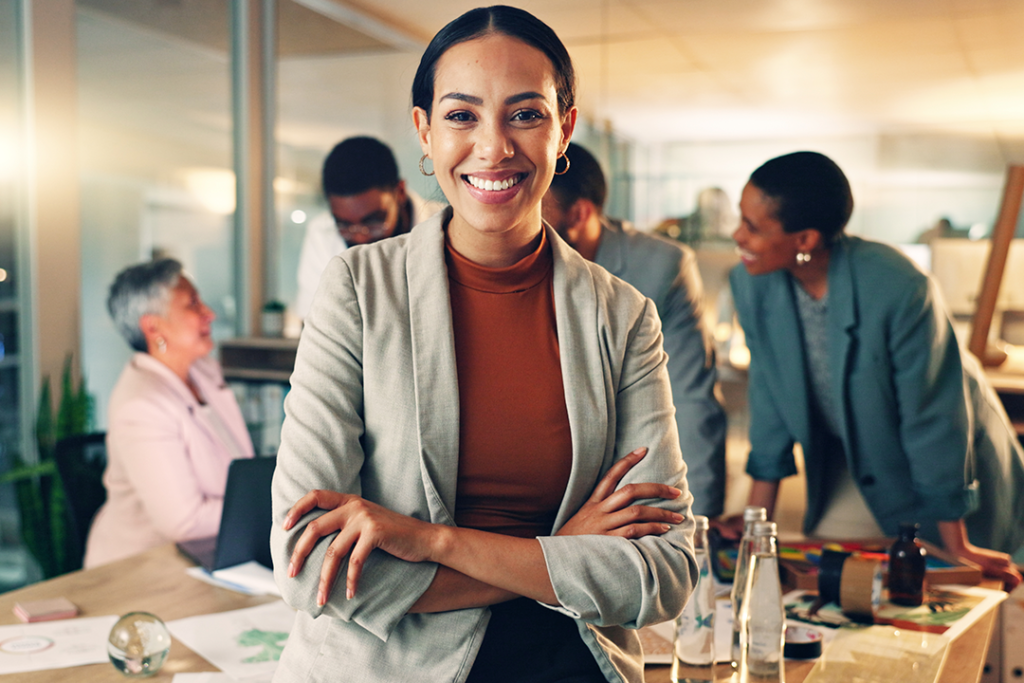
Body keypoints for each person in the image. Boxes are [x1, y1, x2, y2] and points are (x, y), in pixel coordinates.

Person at [270, 6, 697, 682]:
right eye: (462, 115)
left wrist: (431, 541)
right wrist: (557, 555)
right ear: (425, 130)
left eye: (525, 114)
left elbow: (666, 571)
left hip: (571, 664)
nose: (493, 147)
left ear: (565, 131)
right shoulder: (358, 289)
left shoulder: (622, 317)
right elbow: (311, 565)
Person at [729, 150, 1024, 588]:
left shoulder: (899, 287)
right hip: (854, 455)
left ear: (805, 239)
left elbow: (933, 419)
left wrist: (957, 543)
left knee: (954, 579)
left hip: (951, 454)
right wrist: (756, 528)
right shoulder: (751, 284)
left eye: (752, 227)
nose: (738, 236)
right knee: (846, 580)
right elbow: (770, 400)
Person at [542, 142, 727, 518]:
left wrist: (699, 526)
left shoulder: (661, 268)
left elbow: (692, 402)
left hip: (625, 479)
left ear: (578, 214)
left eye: (534, 207)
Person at [85, 258, 254, 568]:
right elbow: (184, 521)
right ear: (153, 327)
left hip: (214, 556)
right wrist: (272, 502)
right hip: (143, 569)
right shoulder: (141, 405)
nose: (209, 313)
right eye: (192, 304)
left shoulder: (202, 371)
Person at [294, 136, 445, 319]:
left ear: (400, 192)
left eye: (374, 222)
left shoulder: (446, 225)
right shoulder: (322, 233)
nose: (361, 238)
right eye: (345, 225)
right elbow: (312, 321)